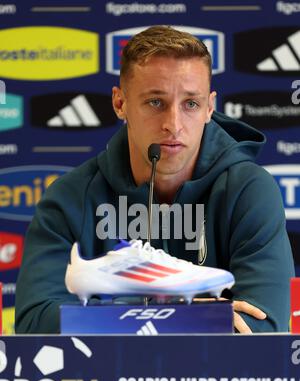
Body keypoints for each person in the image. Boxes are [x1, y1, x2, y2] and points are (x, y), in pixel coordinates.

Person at [15, 25, 294, 334]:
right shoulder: (70, 198)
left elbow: (265, 326)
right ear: (120, 104)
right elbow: (33, 324)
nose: (173, 125)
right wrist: (175, 316)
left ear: (209, 107)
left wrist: (113, 318)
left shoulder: (248, 190)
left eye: (191, 104)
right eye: (155, 102)